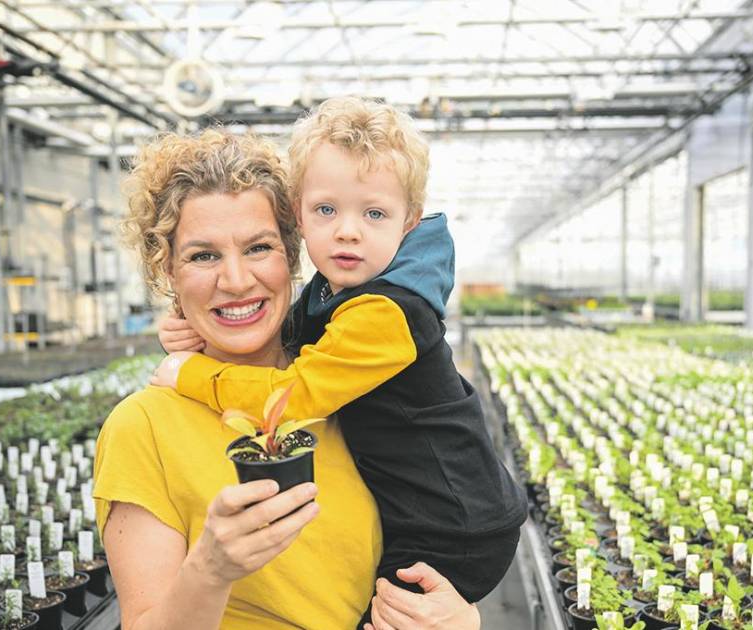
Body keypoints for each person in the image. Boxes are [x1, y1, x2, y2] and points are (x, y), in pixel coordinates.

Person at [150, 96, 527, 627]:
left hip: (455, 527)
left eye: (374, 214)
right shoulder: (338, 288)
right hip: (426, 512)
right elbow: (294, 335)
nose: (348, 230)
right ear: (300, 215)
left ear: (410, 221)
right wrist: (194, 328)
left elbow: (294, 393)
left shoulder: (387, 311)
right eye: (327, 210)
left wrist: (191, 372)